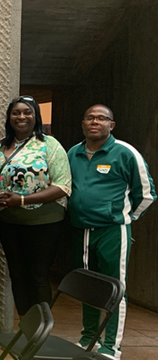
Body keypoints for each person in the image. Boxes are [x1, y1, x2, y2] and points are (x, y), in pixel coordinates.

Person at [67, 104, 154, 360]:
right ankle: (88, 338)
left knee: (115, 287)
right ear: (83, 123)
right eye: (90, 118)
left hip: (112, 231)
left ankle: (110, 347)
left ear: (111, 125)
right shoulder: (73, 152)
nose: (95, 122)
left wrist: (125, 218)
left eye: (102, 118)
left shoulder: (125, 153)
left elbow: (146, 194)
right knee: (87, 286)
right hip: (81, 230)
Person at [0, 96, 71, 316]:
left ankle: (41, 334)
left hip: (43, 221)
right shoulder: (0, 146)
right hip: (9, 221)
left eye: (27, 112)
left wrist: (21, 200)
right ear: (9, 117)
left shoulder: (50, 145)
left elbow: (63, 186)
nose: (21, 117)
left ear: (36, 116)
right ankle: (26, 329)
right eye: (16, 112)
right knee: (17, 275)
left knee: (37, 275)